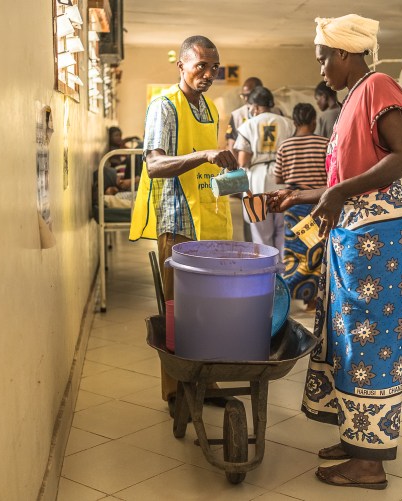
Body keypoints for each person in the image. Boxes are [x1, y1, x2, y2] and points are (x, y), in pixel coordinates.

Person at [267, 14, 402, 490]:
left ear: (343, 53)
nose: (321, 71)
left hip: (379, 238)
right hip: (358, 232)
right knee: (344, 336)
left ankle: (369, 463)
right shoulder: (354, 98)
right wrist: (304, 194)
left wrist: (337, 194)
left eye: (322, 60)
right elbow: (347, 182)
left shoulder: (379, 86)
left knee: (369, 339)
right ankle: (357, 439)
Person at [129, 35, 237, 414]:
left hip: (208, 217)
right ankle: (177, 391)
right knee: (178, 309)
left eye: (214, 67)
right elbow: (155, 165)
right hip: (177, 221)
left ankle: (208, 381)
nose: (208, 74)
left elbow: (208, 168)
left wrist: (234, 184)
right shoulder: (165, 107)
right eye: (200, 66)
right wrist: (204, 154)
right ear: (181, 66)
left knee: (208, 308)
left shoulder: (208, 107)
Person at [273, 103, 329, 311]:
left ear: (294, 122)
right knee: (317, 250)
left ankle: (286, 295)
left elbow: (279, 177)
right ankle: (313, 299)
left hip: (294, 205)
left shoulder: (285, 146)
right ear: (314, 121)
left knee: (294, 253)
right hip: (318, 204)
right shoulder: (325, 143)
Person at [234, 86, 295, 256]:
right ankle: (283, 275)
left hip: (257, 182)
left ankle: (265, 273)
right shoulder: (288, 123)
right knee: (282, 231)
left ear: (255, 107)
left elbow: (243, 160)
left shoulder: (248, 126)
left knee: (261, 234)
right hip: (282, 178)